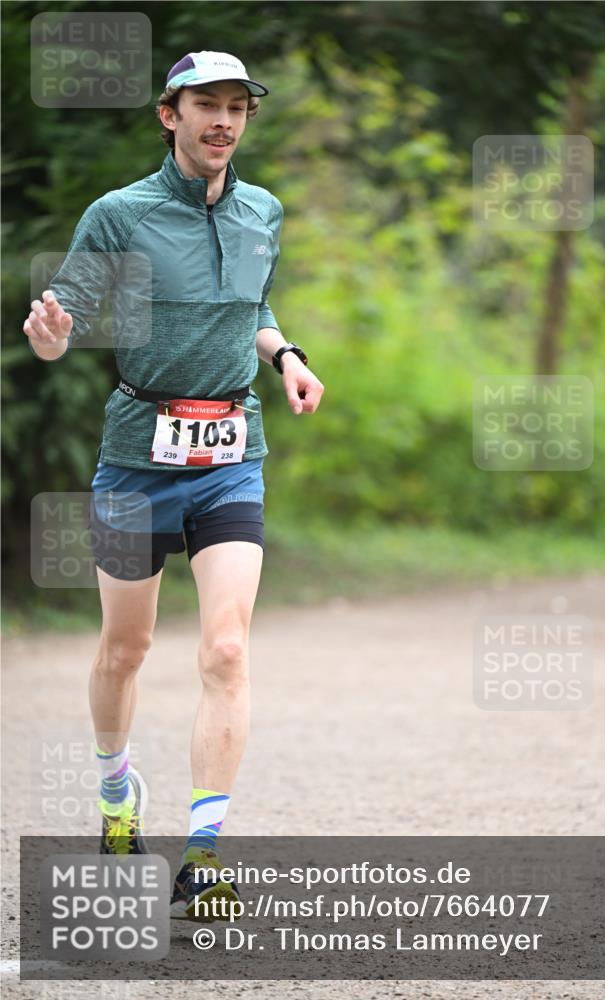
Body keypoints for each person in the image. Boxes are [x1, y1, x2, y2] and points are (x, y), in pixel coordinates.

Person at [23, 50, 324, 921]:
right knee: (126, 649)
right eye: (206, 106)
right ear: (170, 114)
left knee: (227, 650)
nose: (223, 120)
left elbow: (254, 306)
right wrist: (49, 337)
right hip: (137, 459)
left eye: (237, 107)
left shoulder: (264, 210)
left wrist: (289, 358)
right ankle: (117, 793)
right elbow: (64, 317)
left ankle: (203, 857)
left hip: (231, 450)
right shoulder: (121, 214)